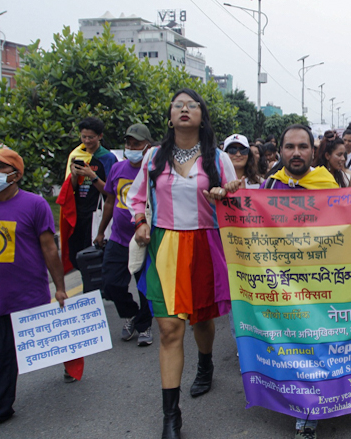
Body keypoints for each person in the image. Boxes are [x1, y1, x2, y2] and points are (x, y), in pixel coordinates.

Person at [128, 89, 237, 439]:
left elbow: (237, 202)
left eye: (192, 105)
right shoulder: (153, 158)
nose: (185, 109)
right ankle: (171, 418)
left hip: (206, 244)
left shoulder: (218, 159)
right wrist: (140, 222)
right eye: (178, 105)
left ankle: (205, 364)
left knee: (201, 320)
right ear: (170, 116)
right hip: (165, 246)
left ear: (202, 116)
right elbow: (137, 197)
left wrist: (224, 195)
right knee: (170, 329)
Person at [0, 148, 67, 438]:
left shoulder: (36, 205)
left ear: (15, 174)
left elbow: (49, 248)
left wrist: (60, 287)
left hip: (26, 297)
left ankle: (72, 363)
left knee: (44, 345)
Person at [250, 125, 338, 439]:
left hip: (322, 283)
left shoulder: (327, 184)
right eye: (290, 147)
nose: (296, 153)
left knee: (316, 346)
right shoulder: (270, 186)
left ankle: (311, 412)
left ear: (313, 151)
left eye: (302, 146)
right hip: (283, 284)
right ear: (281, 150)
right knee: (294, 346)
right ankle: (304, 408)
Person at [94, 124, 155, 346]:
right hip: (118, 239)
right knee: (111, 284)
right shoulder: (117, 169)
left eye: (136, 144)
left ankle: (145, 325)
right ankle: (132, 314)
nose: (131, 147)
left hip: (144, 241)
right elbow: (110, 201)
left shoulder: (154, 171)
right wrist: (101, 231)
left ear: (147, 146)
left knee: (144, 287)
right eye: (128, 143)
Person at [59, 117, 117, 285]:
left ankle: (93, 291)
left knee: (92, 257)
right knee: (76, 254)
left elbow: (110, 192)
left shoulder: (107, 158)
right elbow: (69, 189)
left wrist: (92, 176)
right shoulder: (76, 154)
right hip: (78, 212)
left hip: (96, 213)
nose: (86, 141)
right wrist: (75, 175)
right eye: (83, 137)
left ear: (100, 136)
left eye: (90, 137)